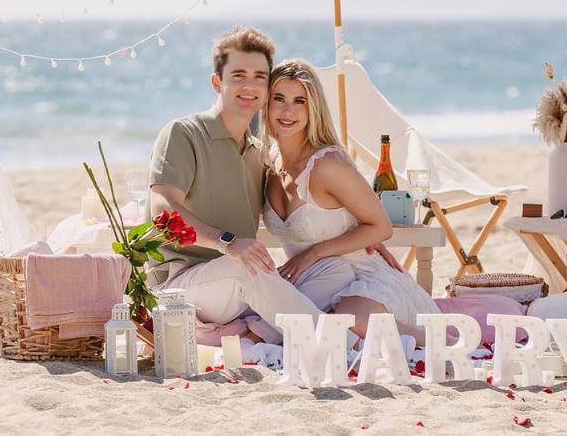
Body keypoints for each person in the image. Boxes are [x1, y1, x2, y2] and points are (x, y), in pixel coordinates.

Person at [146, 26, 356, 344]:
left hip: (236, 282)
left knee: (335, 271)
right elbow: (163, 215)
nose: (250, 86)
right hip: (181, 286)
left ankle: (256, 333)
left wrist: (359, 230)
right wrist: (228, 242)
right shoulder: (183, 133)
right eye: (239, 75)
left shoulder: (258, 152)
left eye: (260, 76)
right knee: (245, 268)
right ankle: (340, 344)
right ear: (217, 82)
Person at [262, 58, 440, 344]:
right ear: (265, 104)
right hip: (312, 283)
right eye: (278, 99)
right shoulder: (266, 162)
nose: (287, 110)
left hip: (362, 279)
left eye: (299, 101)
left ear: (313, 109)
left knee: (351, 319)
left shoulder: (327, 165)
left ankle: (432, 342)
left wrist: (313, 253)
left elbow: (381, 227)